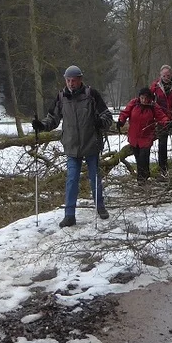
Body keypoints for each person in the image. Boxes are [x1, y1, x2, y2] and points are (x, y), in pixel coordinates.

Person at [31, 64, 113, 227]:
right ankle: (69, 215)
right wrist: (41, 125)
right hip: (71, 146)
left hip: (91, 143)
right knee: (72, 179)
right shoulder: (62, 97)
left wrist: (100, 122)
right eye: (68, 80)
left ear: (80, 80)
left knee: (94, 177)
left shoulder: (91, 95)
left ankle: (100, 206)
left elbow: (107, 116)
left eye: (73, 80)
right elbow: (53, 118)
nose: (70, 83)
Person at [117, 87, 171, 182]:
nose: (144, 100)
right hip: (134, 136)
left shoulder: (153, 106)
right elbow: (125, 112)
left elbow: (161, 116)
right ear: (139, 97)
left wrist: (167, 122)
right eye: (142, 98)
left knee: (143, 157)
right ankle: (144, 175)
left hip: (147, 137)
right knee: (138, 158)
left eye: (146, 98)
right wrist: (121, 121)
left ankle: (141, 179)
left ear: (150, 98)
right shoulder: (134, 103)